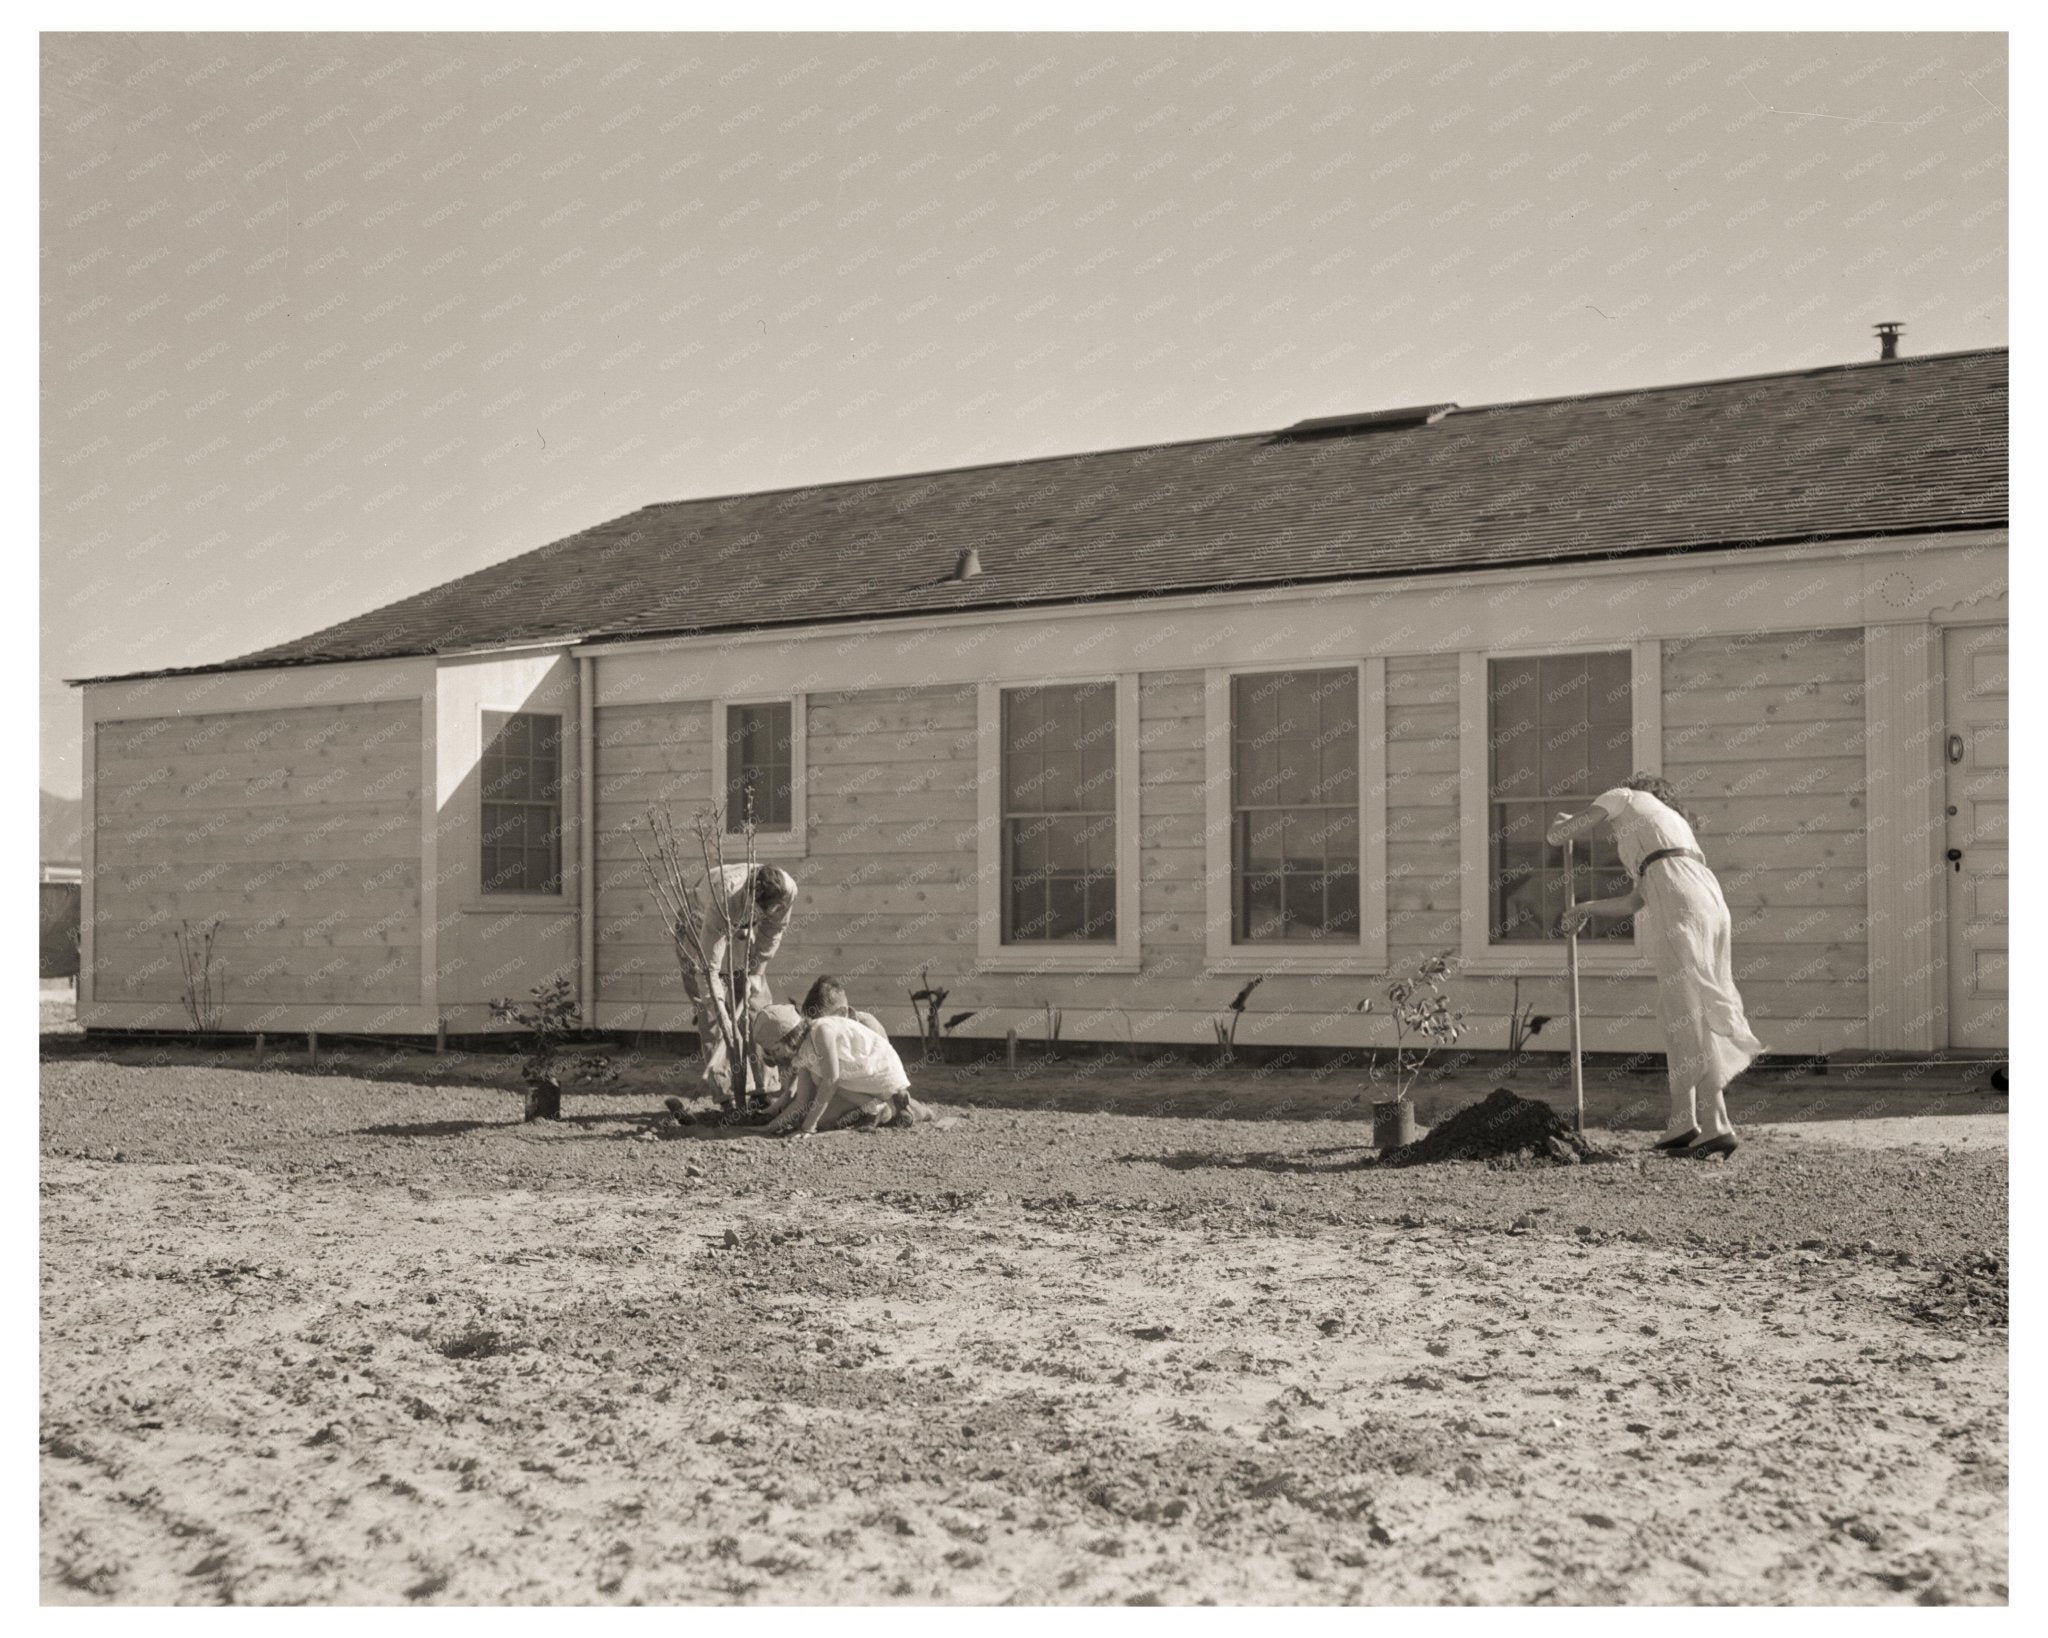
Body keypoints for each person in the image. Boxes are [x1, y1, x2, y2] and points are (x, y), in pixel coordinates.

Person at [1546, 773, 1764, 1159]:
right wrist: (1584, 909)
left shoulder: (1624, 796)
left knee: (1687, 1014)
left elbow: (1564, 834)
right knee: (1677, 1011)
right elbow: (1635, 901)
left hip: (1679, 904)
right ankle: (1683, 1120)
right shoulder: (1667, 831)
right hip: (1709, 901)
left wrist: (1561, 826)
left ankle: (1717, 1124)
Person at [680, 863, 799, 1104]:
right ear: (750, 895)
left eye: (769, 911)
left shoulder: (787, 890)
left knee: (757, 1005)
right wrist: (721, 1010)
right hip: (699, 926)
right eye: (759, 910)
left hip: (741, 930)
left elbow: (772, 932)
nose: (766, 914)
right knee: (715, 1015)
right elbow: (709, 969)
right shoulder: (725, 895)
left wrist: (756, 973)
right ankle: (728, 1097)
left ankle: (764, 1090)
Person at [752, 1002, 915, 1138]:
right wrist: (769, 1128)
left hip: (880, 1070)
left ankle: (886, 1103)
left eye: (776, 1050)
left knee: (821, 1085)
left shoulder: (821, 1031)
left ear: (790, 1037)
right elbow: (801, 1100)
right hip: (860, 1076)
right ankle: (877, 1107)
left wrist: (808, 1127)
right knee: (819, 1098)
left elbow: (831, 1081)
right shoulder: (802, 1053)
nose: (776, 1056)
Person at [800, 973, 887, 1038]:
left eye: (826, 1024)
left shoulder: (868, 1027)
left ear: (842, 1013)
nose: (823, 1031)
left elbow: (885, 1059)